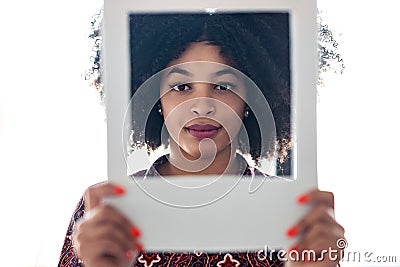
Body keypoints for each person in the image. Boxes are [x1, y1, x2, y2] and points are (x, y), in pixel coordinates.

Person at [58, 13, 345, 267]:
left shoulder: (291, 210)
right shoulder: (108, 209)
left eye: (223, 86)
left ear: (250, 99)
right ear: (156, 99)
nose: (202, 105)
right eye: (181, 87)